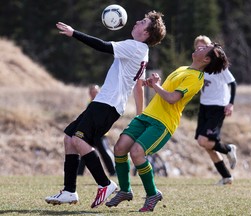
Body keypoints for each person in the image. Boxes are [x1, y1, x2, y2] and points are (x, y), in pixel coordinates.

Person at [45, 11, 166, 208]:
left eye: (142, 22)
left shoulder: (135, 47)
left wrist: (74, 33)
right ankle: (69, 191)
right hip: (104, 103)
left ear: (146, 33)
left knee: (78, 139)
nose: (136, 21)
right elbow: (138, 85)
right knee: (69, 138)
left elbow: (102, 46)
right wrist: (140, 114)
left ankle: (105, 183)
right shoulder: (142, 51)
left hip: (107, 105)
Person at [105, 42, 230, 212]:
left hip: (162, 123)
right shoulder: (184, 69)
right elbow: (169, 91)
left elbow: (172, 98)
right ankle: (125, 191)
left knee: (136, 153)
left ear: (206, 59)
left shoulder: (196, 79)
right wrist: (156, 83)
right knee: (119, 148)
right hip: (147, 116)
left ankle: (152, 194)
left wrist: (156, 86)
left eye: (204, 49)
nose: (200, 47)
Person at [193, 35, 237, 185]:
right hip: (204, 106)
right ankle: (226, 177)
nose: (201, 49)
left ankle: (228, 149)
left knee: (204, 140)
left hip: (218, 106)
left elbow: (233, 83)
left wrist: (230, 104)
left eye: (204, 47)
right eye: (198, 47)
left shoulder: (218, 66)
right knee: (205, 144)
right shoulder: (198, 66)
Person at [77, 84, 116, 176]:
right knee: (85, 152)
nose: (94, 93)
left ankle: (113, 172)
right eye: (92, 92)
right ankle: (79, 173)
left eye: (96, 91)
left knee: (104, 153)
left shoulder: (103, 102)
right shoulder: (90, 103)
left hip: (100, 134)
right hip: (91, 134)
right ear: (89, 93)